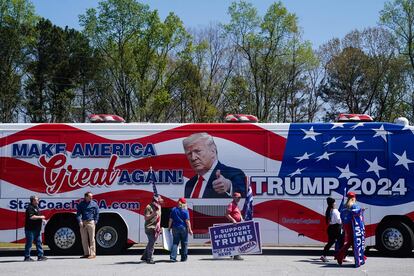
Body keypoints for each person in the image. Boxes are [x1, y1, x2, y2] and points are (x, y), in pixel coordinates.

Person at [183, 132, 246, 198]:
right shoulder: (190, 184)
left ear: (213, 151)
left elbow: (243, 195)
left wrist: (229, 187)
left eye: (197, 151)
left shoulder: (234, 174)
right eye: (189, 153)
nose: (193, 158)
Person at [335, 192, 362, 265]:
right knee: (352, 241)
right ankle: (340, 255)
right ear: (354, 198)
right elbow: (358, 213)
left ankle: (359, 258)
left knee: (352, 242)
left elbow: (340, 215)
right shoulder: (354, 205)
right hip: (353, 225)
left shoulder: (344, 206)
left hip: (346, 225)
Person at [141, 195, 164, 264]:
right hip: (149, 227)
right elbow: (146, 218)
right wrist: (153, 214)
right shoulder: (149, 207)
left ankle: (144, 256)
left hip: (155, 228)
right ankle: (149, 258)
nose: (162, 200)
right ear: (156, 200)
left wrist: (158, 225)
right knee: (151, 243)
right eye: (160, 199)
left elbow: (159, 217)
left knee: (151, 242)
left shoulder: (159, 207)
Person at [168, 198, 193, 262]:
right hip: (183, 228)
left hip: (175, 228)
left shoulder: (173, 210)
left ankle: (172, 257)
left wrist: (169, 227)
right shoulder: (185, 211)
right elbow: (187, 221)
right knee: (184, 243)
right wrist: (190, 230)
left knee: (175, 243)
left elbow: (170, 220)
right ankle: (183, 258)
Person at [76, 191, 99, 259]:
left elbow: (97, 213)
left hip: (91, 222)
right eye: (90, 196)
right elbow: (78, 214)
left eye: (91, 196)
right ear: (86, 197)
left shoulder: (94, 204)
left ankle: (93, 254)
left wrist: (95, 221)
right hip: (83, 222)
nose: (91, 197)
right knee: (84, 239)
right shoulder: (81, 204)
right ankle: (86, 253)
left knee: (92, 238)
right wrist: (80, 221)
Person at [24, 195, 47, 261]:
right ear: (33, 200)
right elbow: (32, 217)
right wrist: (41, 217)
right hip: (30, 229)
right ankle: (27, 257)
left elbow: (38, 216)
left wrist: (43, 220)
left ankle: (40, 256)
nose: (38, 201)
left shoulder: (36, 207)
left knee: (39, 243)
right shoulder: (30, 208)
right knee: (29, 243)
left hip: (37, 229)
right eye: (37, 200)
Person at [320, 197, 342, 262]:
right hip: (336, 228)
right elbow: (339, 221)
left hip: (331, 228)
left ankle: (323, 255)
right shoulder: (335, 211)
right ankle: (342, 256)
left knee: (330, 243)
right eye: (334, 202)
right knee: (341, 242)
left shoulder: (329, 210)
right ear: (332, 203)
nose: (335, 203)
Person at [225, 192, 244, 260]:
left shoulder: (236, 205)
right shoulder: (231, 204)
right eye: (238, 197)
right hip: (233, 225)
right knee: (236, 240)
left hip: (238, 224)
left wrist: (241, 219)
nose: (239, 199)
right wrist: (233, 220)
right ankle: (236, 255)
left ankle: (233, 254)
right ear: (234, 197)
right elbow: (227, 214)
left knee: (237, 240)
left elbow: (238, 214)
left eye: (240, 197)